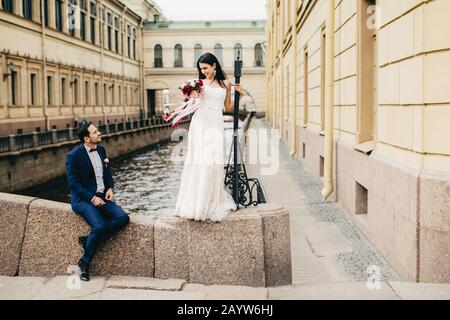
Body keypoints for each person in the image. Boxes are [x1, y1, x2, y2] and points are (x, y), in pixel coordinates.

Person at [174, 52, 244, 222]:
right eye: (201, 69)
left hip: (216, 124)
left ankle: (213, 199)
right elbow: (191, 103)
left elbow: (228, 107)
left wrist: (239, 95)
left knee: (213, 162)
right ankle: (197, 202)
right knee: (200, 161)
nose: (203, 71)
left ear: (214, 65)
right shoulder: (199, 84)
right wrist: (190, 93)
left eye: (205, 68)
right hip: (200, 124)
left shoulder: (226, 84)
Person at [66, 120, 130, 281]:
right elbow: (73, 183)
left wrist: (110, 188)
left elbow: (107, 173)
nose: (99, 133)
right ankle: (85, 264)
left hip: (102, 196)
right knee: (99, 226)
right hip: (84, 199)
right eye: (95, 132)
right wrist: (92, 198)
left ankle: (88, 239)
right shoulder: (73, 155)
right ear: (86, 139)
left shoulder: (101, 150)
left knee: (123, 218)